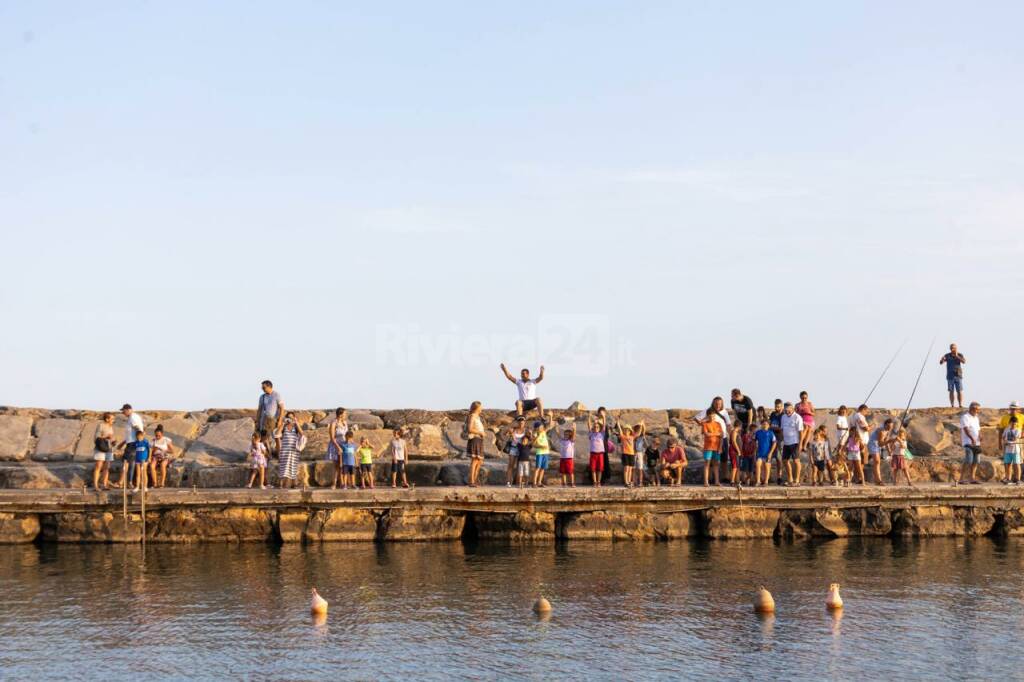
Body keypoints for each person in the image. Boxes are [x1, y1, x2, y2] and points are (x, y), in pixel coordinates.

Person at [112, 403, 145, 488]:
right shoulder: (132, 417)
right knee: (129, 462)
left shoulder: (133, 417)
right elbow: (131, 434)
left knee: (127, 462)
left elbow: (138, 429)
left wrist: (139, 440)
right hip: (131, 443)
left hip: (132, 444)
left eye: (123, 411)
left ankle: (124, 482)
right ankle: (124, 482)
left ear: (128, 410)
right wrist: (122, 443)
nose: (123, 413)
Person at [256, 380, 285, 460]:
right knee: (264, 438)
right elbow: (259, 409)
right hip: (264, 419)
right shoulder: (262, 397)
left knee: (277, 438)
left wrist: (279, 420)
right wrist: (257, 421)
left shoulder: (276, 395)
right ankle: (269, 455)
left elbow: (282, 408)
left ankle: (280, 455)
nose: (262, 389)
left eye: (264, 387)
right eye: (262, 387)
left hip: (274, 419)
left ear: (269, 386)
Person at [997, 401, 1024, 484]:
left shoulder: (1022, 417)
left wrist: (1022, 435)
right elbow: (1001, 431)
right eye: (1012, 409)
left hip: (1018, 444)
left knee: (1018, 462)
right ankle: (1008, 478)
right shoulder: (1005, 418)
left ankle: (1018, 478)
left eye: (1015, 409)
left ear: (1018, 409)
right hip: (1007, 446)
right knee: (1007, 462)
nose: (1013, 410)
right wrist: (1000, 443)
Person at [277, 412, 304, 489]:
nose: (290, 419)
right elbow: (277, 434)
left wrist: (296, 422)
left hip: (294, 451)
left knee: (293, 467)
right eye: (288, 417)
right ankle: (281, 484)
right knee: (283, 467)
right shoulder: (284, 427)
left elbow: (302, 434)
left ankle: (294, 484)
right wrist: (282, 423)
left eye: (292, 417)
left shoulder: (296, 427)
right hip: (285, 451)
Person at [958, 402, 982, 485]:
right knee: (969, 460)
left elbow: (978, 429)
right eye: (977, 409)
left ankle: (972, 478)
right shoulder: (965, 417)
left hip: (977, 443)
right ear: (972, 409)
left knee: (976, 461)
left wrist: (980, 436)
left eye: (978, 410)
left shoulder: (976, 418)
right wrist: (972, 438)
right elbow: (965, 429)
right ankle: (961, 479)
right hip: (968, 442)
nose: (978, 411)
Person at [780, 402, 803, 485]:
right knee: (785, 460)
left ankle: (796, 480)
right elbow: (782, 429)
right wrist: (783, 440)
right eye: (786, 410)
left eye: (789, 410)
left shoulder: (797, 417)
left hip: (795, 442)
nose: (787, 412)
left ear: (792, 409)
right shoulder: (783, 417)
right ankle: (790, 479)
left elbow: (801, 432)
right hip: (786, 443)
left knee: (796, 461)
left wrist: (800, 444)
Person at [91, 412, 115, 490]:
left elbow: (110, 439)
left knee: (107, 467)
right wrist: (106, 437)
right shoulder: (101, 425)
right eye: (112, 419)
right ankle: (95, 485)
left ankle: (104, 484)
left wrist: (113, 441)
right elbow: (96, 437)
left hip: (109, 448)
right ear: (107, 419)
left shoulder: (111, 427)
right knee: (98, 466)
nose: (113, 420)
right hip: (101, 448)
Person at [868, 418, 895, 487]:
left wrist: (889, 451)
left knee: (877, 462)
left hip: (878, 445)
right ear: (885, 425)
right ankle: (878, 480)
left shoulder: (888, 431)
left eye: (891, 427)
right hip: (873, 444)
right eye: (889, 427)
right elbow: (881, 444)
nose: (890, 428)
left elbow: (885, 441)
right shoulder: (881, 431)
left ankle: (877, 480)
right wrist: (889, 441)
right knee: (877, 461)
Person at [701, 408, 724, 487]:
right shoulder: (705, 424)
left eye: (713, 416)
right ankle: (706, 482)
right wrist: (716, 433)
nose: (712, 417)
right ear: (707, 416)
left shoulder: (718, 424)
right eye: (710, 416)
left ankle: (717, 481)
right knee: (707, 463)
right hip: (708, 447)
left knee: (716, 464)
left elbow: (721, 436)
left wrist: (720, 447)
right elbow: (706, 434)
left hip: (717, 447)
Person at [326, 408, 348, 489]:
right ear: (340, 414)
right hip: (335, 445)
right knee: (336, 466)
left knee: (342, 465)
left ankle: (342, 483)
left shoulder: (345, 423)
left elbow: (347, 435)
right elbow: (332, 437)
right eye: (345, 413)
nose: (346, 415)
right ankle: (334, 483)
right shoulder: (333, 423)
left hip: (344, 446)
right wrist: (338, 447)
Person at [939, 343, 966, 408]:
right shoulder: (947, 355)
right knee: (951, 391)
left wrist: (957, 356)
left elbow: (964, 361)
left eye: (954, 348)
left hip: (958, 375)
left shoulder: (960, 354)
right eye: (951, 348)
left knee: (959, 390)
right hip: (950, 376)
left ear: (956, 348)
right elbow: (941, 363)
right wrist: (942, 359)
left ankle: (960, 404)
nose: (952, 349)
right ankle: (952, 405)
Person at [466, 402, 486, 487]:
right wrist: (480, 432)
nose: (482, 408)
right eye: (481, 407)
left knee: (479, 461)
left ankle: (475, 480)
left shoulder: (478, 417)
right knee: (475, 461)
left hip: (479, 439)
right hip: (475, 439)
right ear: (477, 408)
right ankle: (471, 481)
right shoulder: (472, 416)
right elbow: (469, 429)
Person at [532, 417, 554, 488]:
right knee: (538, 468)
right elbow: (534, 444)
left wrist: (550, 417)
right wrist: (541, 446)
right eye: (539, 427)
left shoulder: (544, 432)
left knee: (543, 468)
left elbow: (550, 425)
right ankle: (534, 483)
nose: (541, 428)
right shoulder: (535, 434)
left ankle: (539, 482)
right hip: (540, 453)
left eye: (541, 427)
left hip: (546, 453)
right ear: (536, 428)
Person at [753, 419, 776, 486]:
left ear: (769, 425)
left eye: (766, 424)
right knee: (758, 464)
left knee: (767, 466)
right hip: (759, 453)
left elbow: (774, 443)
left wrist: (771, 452)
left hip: (767, 453)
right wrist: (755, 450)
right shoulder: (758, 432)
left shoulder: (771, 433)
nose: (764, 425)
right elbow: (754, 441)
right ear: (761, 425)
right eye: (763, 424)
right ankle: (758, 481)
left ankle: (766, 482)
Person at [505, 418, 527, 487]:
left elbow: (529, 439)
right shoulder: (513, 430)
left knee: (519, 466)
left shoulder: (526, 431)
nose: (521, 424)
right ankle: (508, 482)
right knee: (511, 465)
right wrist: (509, 431)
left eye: (522, 423)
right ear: (517, 422)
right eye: (520, 423)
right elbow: (504, 434)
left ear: (524, 423)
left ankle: (518, 482)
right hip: (513, 448)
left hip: (521, 449)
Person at [768, 399, 785, 485]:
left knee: (779, 459)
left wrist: (773, 428)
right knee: (769, 457)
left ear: (782, 406)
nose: (777, 408)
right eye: (776, 406)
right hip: (771, 438)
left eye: (778, 406)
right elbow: (769, 424)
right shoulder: (772, 414)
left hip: (779, 439)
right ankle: (768, 477)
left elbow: (782, 428)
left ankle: (779, 476)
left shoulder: (783, 415)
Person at [1002, 415, 1022, 486]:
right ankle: (1008, 478)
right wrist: (1005, 441)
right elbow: (1003, 437)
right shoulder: (1006, 429)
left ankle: (1018, 479)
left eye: (1015, 423)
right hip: (1008, 450)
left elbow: (1016, 439)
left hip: (1015, 450)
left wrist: (1008, 442)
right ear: (1010, 422)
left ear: (1017, 423)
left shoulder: (1018, 430)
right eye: (1012, 423)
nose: (1013, 424)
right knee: (1007, 464)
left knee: (1017, 464)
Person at [616, 421, 637, 488]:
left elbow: (638, 433)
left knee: (630, 468)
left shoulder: (632, 437)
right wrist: (618, 423)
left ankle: (629, 481)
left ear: (630, 431)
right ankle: (626, 482)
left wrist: (641, 425)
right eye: (625, 430)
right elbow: (620, 430)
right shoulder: (623, 437)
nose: (627, 431)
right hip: (625, 453)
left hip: (631, 454)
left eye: (628, 430)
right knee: (626, 468)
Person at [130, 429, 151, 493]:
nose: (138, 438)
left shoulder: (145, 442)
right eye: (137, 436)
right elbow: (132, 449)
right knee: (138, 474)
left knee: (144, 473)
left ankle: (145, 486)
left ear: (142, 436)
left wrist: (149, 458)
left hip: (144, 460)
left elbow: (150, 450)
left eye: (140, 436)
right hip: (137, 459)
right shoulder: (136, 442)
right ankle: (137, 487)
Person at [587, 415, 606, 487]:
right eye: (594, 427)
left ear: (599, 428)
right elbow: (588, 425)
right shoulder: (591, 434)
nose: (596, 428)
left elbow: (604, 425)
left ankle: (599, 482)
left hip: (600, 453)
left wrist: (603, 417)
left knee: (600, 469)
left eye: (597, 427)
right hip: (593, 453)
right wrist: (589, 417)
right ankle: (594, 482)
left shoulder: (601, 434)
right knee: (593, 469)